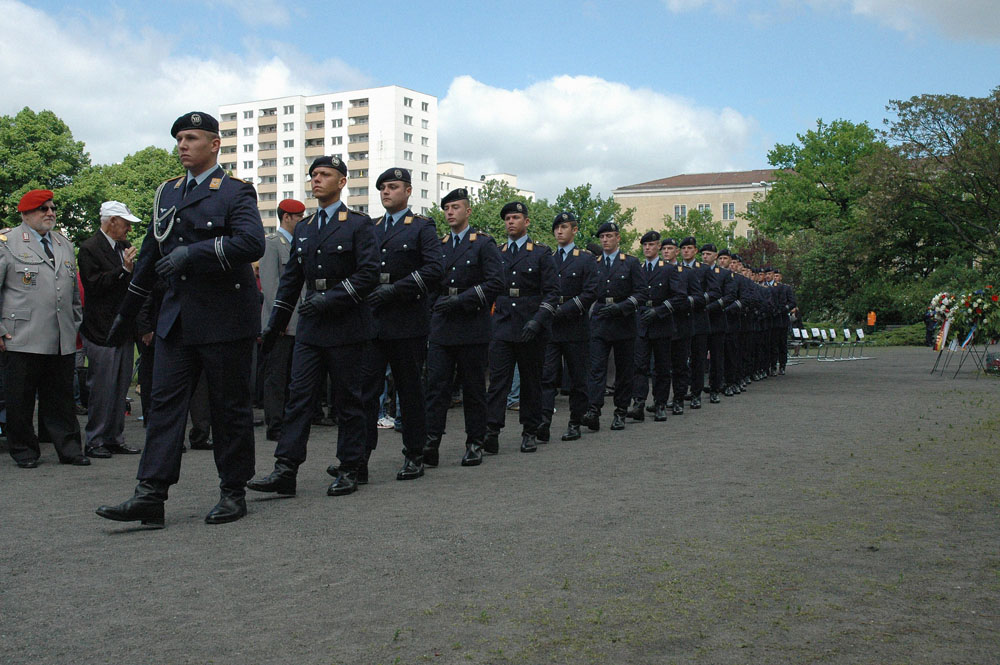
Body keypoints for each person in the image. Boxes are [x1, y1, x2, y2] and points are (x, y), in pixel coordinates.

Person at [96, 111, 265, 527]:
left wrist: (195, 253)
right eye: (179, 139)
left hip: (224, 317)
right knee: (163, 408)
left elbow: (251, 242)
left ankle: (233, 491)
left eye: (191, 138)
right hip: (177, 319)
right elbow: (149, 257)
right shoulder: (167, 192)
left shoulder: (235, 191)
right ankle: (150, 495)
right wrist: (126, 316)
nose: (183, 145)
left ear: (215, 144)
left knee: (229, 410)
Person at [246, 155, 378, 497]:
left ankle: (350, 466)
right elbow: (291, 282)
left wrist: (330, 299)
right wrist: (273, 327)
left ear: (342, 182)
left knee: (348, 400)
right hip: (311, 326)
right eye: (314, 174)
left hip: (347, 324)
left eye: (325, 174)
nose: (317, 179)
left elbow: (368, 274)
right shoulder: (304, 228)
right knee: (299, 398)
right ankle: (285, 469)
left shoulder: (358, 224)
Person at [359, 167, 442, 481]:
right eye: (382, 187)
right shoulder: (371, 227)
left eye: (393, 186)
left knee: (409, 392)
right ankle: (359, 457)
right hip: (373, 321)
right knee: (366, 392)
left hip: (407, 321)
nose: (386, 192)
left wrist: (397, 289)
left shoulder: (421, 226)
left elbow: (434, 269)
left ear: (408, 191)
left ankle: (414, 454)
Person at [0, 189, 90, 468]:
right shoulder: (8, 243)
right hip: (21, 334)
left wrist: (74, 324)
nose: (50, 213)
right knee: (20, 399)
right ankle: (24, 451)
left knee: (61, 397)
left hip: (60, 335)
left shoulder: (63, 243)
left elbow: (72, 293)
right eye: (43, 209)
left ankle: (69, 449)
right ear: (25, 214)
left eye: (52, 208)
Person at [423, 188, 503, 466]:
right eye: (446, 208)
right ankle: (431, 442)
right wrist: (433, 307)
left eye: (455, 207)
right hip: (443, 326)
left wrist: (461, 300)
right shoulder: (440, 245)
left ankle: (475, 442)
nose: (450, 212)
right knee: (436, 388)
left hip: (471, 325)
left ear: (468, 211)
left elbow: (495, 283)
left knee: (473, 389)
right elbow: (432, 282)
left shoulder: (483, 243)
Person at [484, 201, 558, 454]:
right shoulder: (497, 252)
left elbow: (552, 293)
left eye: (515, 217)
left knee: (531, 382)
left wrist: (538, 320)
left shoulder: (541, 253)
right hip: (503, 325)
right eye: (507, 219)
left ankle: (530, 431)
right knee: (498, 382)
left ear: (526, 221)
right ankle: (491, 431)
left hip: (530, 325)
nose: (511, 222)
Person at [77, 201, 142, 458]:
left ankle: (114, 437)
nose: (128, 229)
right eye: (125, 223)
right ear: (111, 221)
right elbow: (94, 285)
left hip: (123, 328)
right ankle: (95, 440)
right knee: (102, 388)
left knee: (120, 388)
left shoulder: (123, 247)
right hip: (101, 330)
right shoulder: (89, 248)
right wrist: (123, 270)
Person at [540, 212, 597, 442]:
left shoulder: (585, 259)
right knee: (546, 376)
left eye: (564, 227)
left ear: (574, 230)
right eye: (557, 228)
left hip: (575, 326)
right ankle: (543, 422)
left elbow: (590, 292)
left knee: (577, 378)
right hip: (552, 328)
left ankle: (575, 422)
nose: (559, 231)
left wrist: (565, 309)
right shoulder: (548, 258)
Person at [582, 222, 643, 432]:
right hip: (600, 319)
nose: (605, 240)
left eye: (609, 236)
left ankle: (620, 411)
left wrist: (622, 307)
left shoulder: (631, 263)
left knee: (624, 370)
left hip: (623, 321)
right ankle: (594, 410)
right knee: (596, 368)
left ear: (618, 238)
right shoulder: (594, 263)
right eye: (602, 237)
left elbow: (641, 293)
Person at [259, 198, 305, 442]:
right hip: (281, 324)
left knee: (294, 376)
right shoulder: (273, 244)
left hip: (298, 322)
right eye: (299, 217)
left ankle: (288, 420)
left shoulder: (298, 245)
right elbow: (270, 287)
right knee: (276, 375)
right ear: (287, 217)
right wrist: (280, 320)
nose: (301, 221)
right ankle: (275, 424)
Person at [629, 231, 688, 422]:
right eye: (645, 245)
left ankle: (660, 403)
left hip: (661, 322)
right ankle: (638, 403)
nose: (647, 248)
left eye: (651, 245)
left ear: (658, 247)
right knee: (639, 366)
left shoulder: (668, 269)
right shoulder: (638, 268)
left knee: (661, 367)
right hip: (641, 322)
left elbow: (679, 296)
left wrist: (660, 311)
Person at [698, 243, 734, 403]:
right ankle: (695, 389)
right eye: (703, 254)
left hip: (716, 320)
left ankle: (715, 388)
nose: (705, 257)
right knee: (698, 357)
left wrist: (711, 307)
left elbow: (729, 296)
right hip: (700, 320)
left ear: (715, 256)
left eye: (708, 254)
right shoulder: (696, 271)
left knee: (716, 357)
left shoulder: (724, 274)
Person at [679, 237, 709, 408]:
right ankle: (680, 393)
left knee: (698, 358)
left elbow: (713, 292)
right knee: (680, 360)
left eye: (689, 248)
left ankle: (696, 393)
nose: (686, 251)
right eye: (683, 248)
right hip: (682, 319)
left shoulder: (704, 269)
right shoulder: (676, 268)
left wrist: (692, 300)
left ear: (695, 251)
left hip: (698, 318)